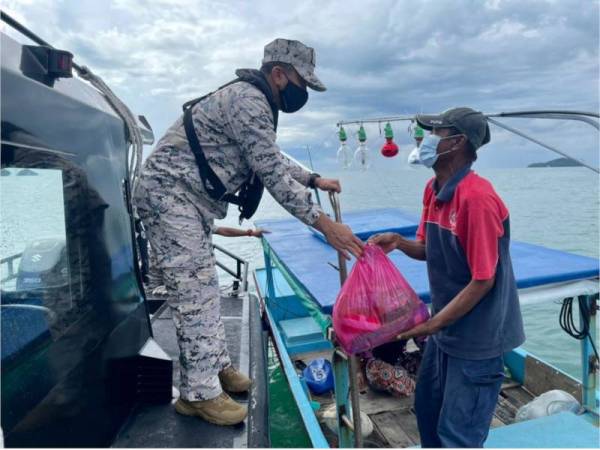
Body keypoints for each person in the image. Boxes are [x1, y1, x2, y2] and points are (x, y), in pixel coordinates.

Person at [134, 38, 363, 426]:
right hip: (169, 193)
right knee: (194, 291)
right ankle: (198, 394)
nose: (302, 91)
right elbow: (271, 173)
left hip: (189, 200)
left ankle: (217, 365)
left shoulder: (256, 103)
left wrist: (312, 178)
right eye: (301, 82)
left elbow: (268, 157)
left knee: (206, 287)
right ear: (278, 74)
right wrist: (325, 226)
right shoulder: (248, 100)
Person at [370, 107, 525, 447]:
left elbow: (483, 280)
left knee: (458, 437)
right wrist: (398, 242)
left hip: (477, 341)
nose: (425, 141)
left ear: (456, 143)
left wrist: (430, 325)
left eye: (436, 135)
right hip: (444, 333)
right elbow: (427, 247)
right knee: (427, 415)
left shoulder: (478, 199)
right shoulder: (434, 189)